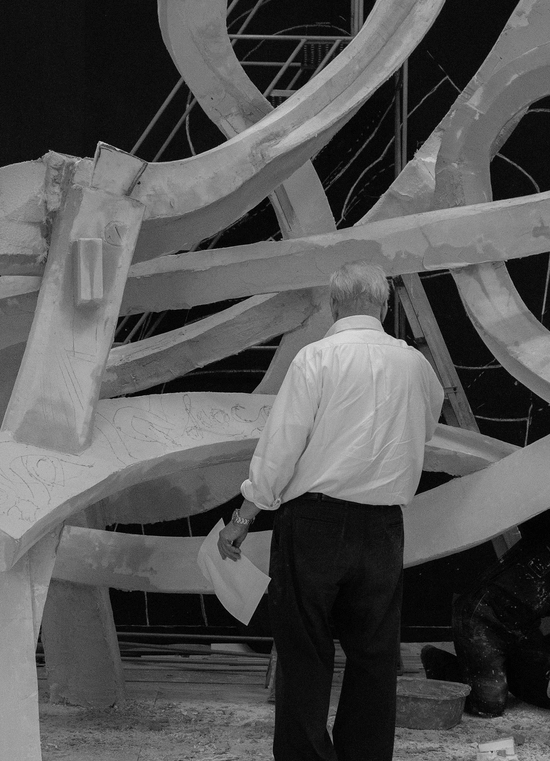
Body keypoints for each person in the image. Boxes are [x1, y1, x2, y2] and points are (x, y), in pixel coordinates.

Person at [217, 262, 442, 761]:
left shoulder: (315, 359)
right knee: (374, 656)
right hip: (382, 525)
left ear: (334, 304)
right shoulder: (416, 366)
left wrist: (244, 516)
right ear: (384, 306)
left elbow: (281, 447)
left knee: (305, 653)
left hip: (314, 523)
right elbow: (424, 430)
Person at [419, 513, 550, 717]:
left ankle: (494, 671)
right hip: (482, 616)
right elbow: (533, 502)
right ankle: (439, 661)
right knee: (488, 705)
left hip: (523, 631)